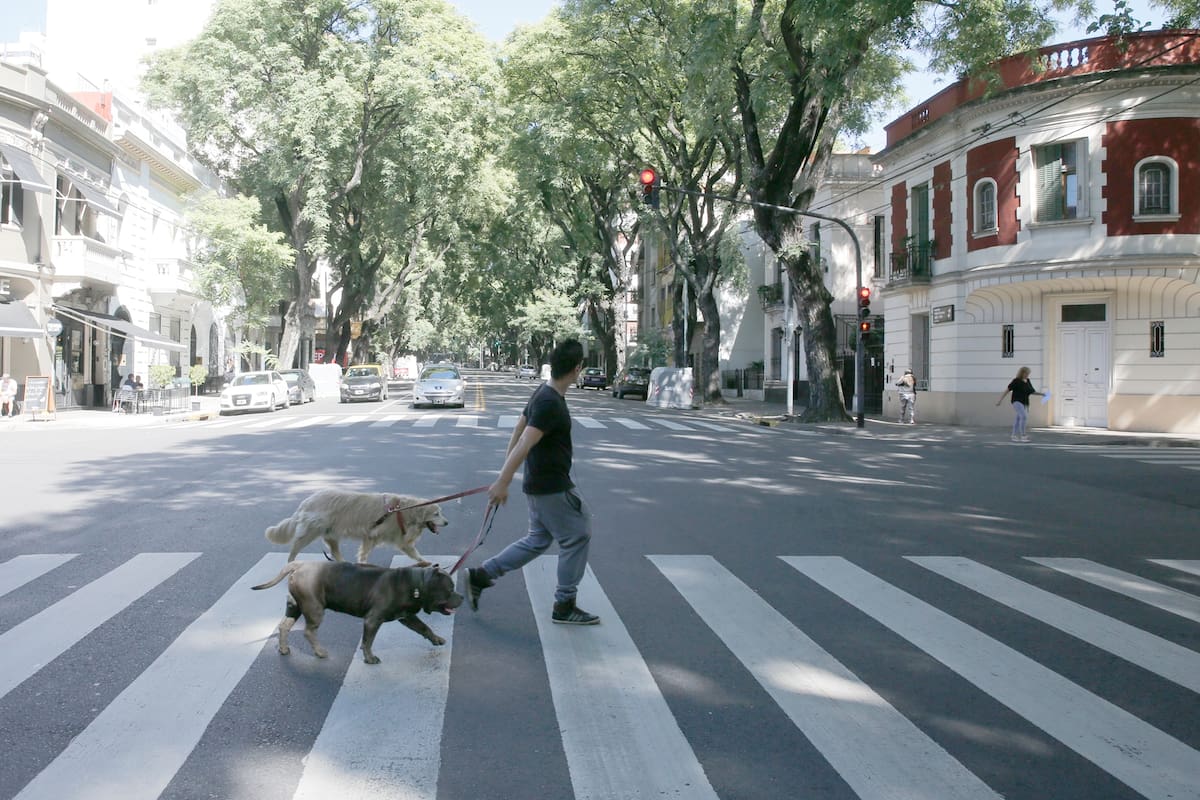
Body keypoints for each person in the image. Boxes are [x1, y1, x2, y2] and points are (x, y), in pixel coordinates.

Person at [467, 339, 600, 625]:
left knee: (537, 540)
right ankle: (564, 604)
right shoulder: (550, 402)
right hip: (552, 487)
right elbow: (526, 441)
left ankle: (481, 575)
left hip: (539, 485)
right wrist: (503, 481)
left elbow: (518, 429)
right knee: (578, 534)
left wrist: (506, 471)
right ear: (577, 369)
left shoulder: (543, 393)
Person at [996, 366, 1043, 442]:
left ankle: (1013, 435)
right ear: (1022, 373)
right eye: (1026, 373)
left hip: (1025, 402)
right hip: (1016, 401)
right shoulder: (1016, 381)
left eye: (1028, 373)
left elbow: (1032, 391)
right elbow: (1007, 390)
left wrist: (1042, 394)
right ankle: (1023, 435)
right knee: (1023, 416)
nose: (1027, 375)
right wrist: (1000, 400)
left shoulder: (1028, 381)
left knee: (1018, 418)